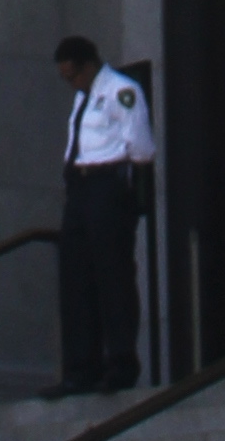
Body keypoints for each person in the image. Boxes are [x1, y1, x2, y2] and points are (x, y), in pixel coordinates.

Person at [54, 35, 154, 391]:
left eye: (72, 75)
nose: (71, 83)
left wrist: (118, 182)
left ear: (88, 65)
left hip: (107, 183)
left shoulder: (120, 91)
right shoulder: (83, 97)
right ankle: (81, 368)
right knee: (76, 278)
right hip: (80, 188)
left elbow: (141, 147)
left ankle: (121, 363)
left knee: (113, 276)